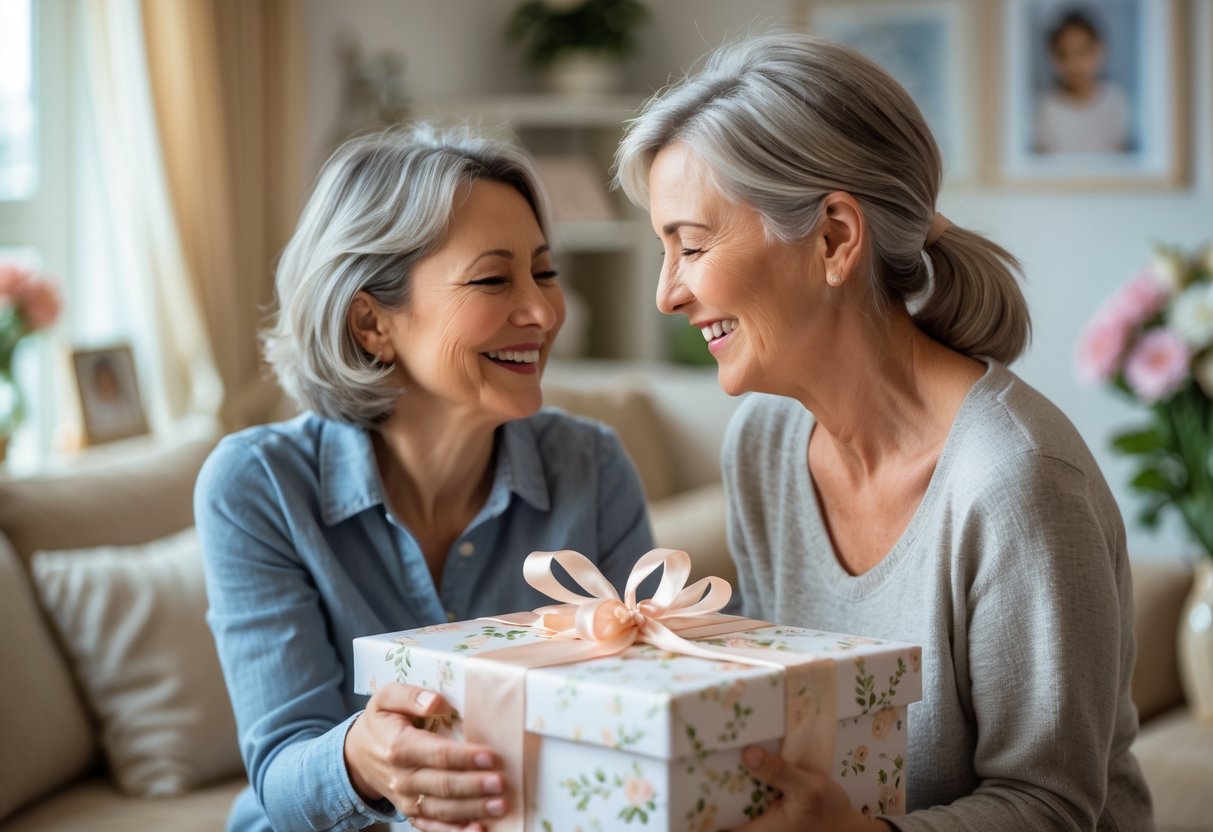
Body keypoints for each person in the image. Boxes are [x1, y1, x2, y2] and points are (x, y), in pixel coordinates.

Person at [615, 31, 1153, 831]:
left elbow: (1051, 806)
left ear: (834, 236)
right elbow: (784, 723)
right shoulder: (763, 444)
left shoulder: (1018, 480)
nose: (667, 294)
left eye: (691, 245)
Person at [195, 124, 653, 832]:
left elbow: (637, 715)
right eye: (494, 278)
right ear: (371, 322)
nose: (542, 311)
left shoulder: (591, 468)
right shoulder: (257, 485)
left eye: (544, 271)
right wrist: (360, 759)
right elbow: (281, 774)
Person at [1034, 8, 1131, 155]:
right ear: (1052, 57)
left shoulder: (1116, 101)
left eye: (1081, 52)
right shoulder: (1045, 107)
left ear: (1100, 51)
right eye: (1063, 54)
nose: (1072, 64)